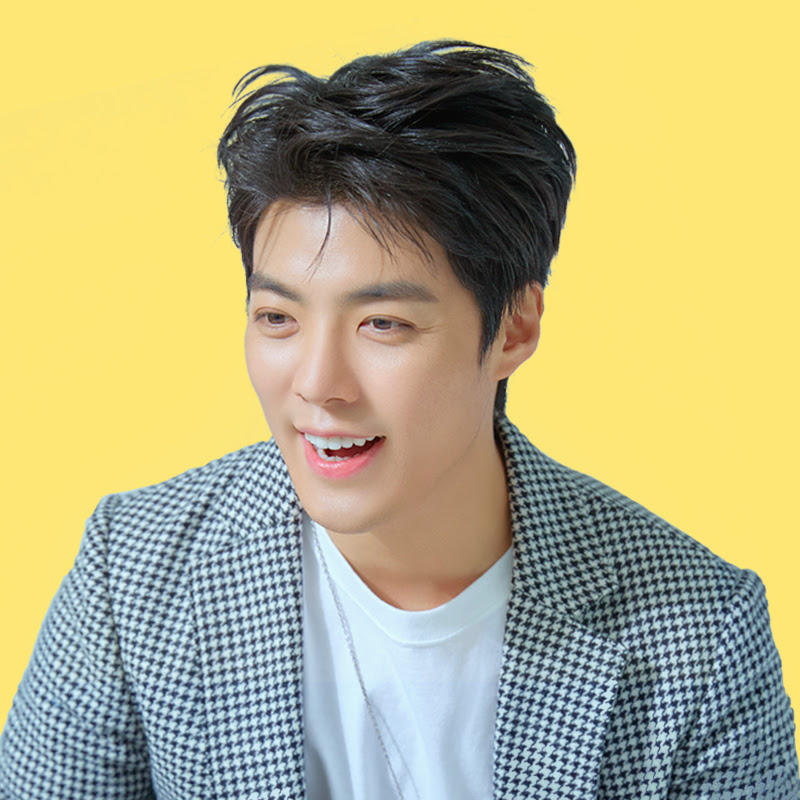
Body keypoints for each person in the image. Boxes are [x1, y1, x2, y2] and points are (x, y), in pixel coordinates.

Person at [0, 40, 797, 800]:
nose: (318, 384)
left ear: (513, 329)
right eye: (278, 318)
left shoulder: (698, 636)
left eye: (382, 324)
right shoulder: (135, 573)